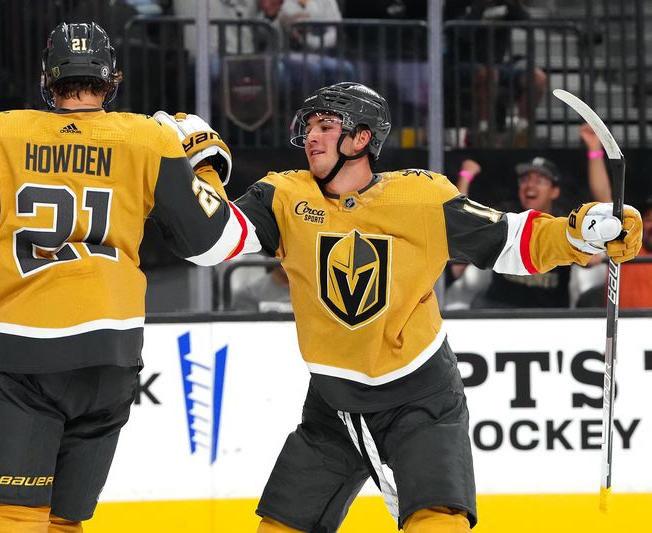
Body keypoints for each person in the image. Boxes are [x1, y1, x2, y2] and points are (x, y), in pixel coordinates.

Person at [181, 82, 640, 532]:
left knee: (438, 523)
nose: (312, 137)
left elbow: (512, 240)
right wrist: (204, 167)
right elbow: (210, 242)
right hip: (332, 405)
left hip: (420, 396)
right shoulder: (283, 196)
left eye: (326, 125)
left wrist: (581, 234)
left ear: (361, 138)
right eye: (309, 127)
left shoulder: (421, 199)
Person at [0, 21, 253, 533]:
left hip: (20, 356)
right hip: (110, 358)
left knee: (15, 514)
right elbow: (218, 244)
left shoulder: (2, 132)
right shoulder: (150, 138)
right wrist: (203, 166)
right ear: (110, 78)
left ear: (46, 77)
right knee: (64, 521)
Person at [454, 123, 612, 308]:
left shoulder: (566, 223)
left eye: (539, 180)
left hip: (549, 319)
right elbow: (459, 225)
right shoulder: (505, 216)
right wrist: (465, 176)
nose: (530, 185)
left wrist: (594, 149)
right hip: (499, 315)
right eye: (525, 179)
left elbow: (606, 207)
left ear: (554, 191)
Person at [444, 0, 547, 147]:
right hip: (460, 65)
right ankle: (484, 130)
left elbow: (528, 25)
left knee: (537, 78)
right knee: (488, 73)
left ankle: (521, 130)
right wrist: (480, 7)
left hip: (499, 66)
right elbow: (461, 34)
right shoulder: (457, 4)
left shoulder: (504, 5)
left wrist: (514, 6)